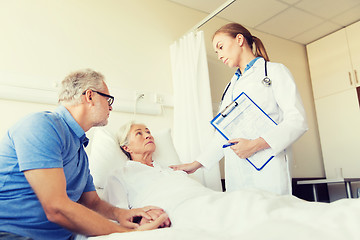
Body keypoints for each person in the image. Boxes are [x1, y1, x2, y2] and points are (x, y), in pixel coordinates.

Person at [103, 122, 359, 239]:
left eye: (149, 131)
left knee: (254, 200)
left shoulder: (169, 168)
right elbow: (118, 214)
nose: (148, 135)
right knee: (243, 210)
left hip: (209, 197)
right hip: (179, 209)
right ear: (126, 147)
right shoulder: (122, 174)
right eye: (140, 133)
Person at [0, 69, 169, 240]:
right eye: (108, 99)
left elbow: (92, 202)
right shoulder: (42, 126)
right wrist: (129, 234)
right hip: (13, 233)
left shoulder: (80, 151)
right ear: (90, 96)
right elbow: (56, 207)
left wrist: (122, 214)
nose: (111, 106)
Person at [170, 23, 308, 195]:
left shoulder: (273, 72)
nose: (219, 55)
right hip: (237, 171)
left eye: (221, 47)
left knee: (271, 216)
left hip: (268, 167)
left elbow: (298, 121)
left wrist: (255, 145)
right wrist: (196, 164)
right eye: (216, 52)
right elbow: (224, 134)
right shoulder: (230, 87)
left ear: (240, 40)